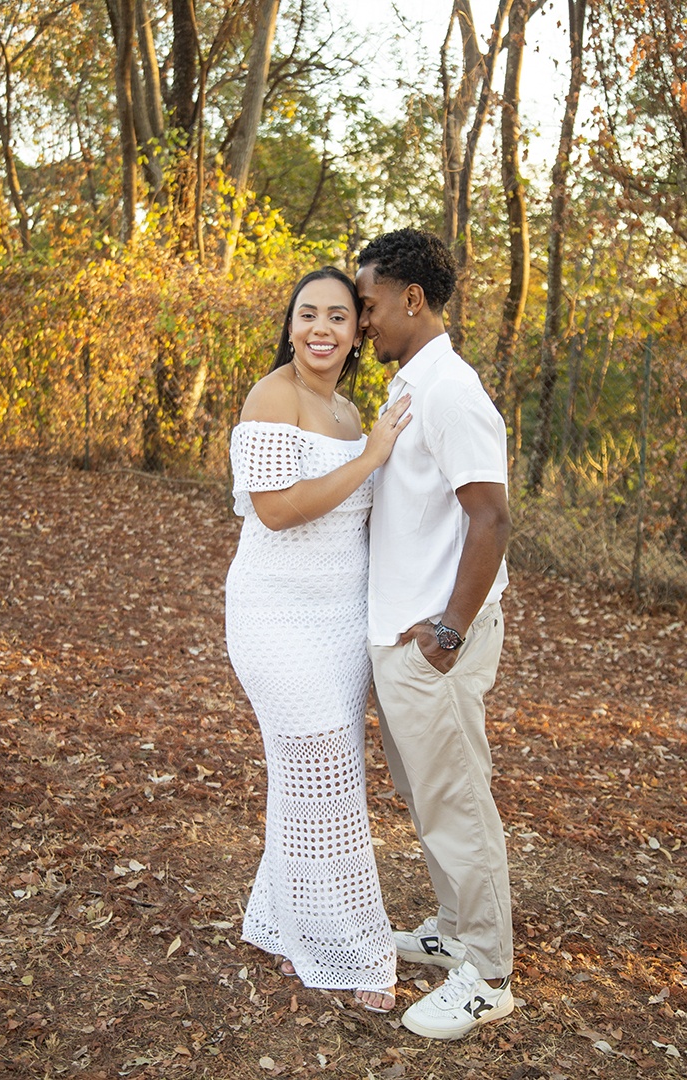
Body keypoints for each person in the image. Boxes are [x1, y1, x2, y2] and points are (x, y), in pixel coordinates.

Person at [225, 266, 411, 1014]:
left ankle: (277, 917)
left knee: (311, 773)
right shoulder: (275, 395)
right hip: (275, 613)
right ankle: (351, 945)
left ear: (358, 330)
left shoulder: (348, 407)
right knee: (322, 766)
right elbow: (276, 510)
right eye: (309, 314)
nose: (322, 329)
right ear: (291, 323)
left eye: (339, 315)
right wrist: (372, 457)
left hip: (339, 619)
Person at [355, 229, 514, 1040]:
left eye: (371, 302)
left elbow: (491, 516)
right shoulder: (409, 385)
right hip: (403, 635)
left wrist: (447, 632)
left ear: (411, 298)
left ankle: (486, 971)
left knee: (456, 801)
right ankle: (453, 931)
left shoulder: (449, 388)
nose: (364, 318)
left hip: (434, 643)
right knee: (428, 798)